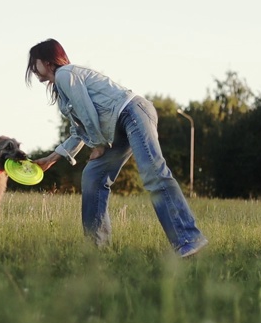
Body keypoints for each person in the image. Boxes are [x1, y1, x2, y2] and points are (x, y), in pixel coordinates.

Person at [26, 38, 208, 257]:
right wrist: (51, 159)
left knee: (153, 173)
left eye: (33, 62)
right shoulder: (61, 90)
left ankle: (188, 239)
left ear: (47, 61)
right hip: (117, 127)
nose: (32, 69)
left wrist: (99, 144)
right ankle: (97, 250)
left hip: (132, 112)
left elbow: (86, 112)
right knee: (93, 176)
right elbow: (78, 130)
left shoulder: (65, 74)